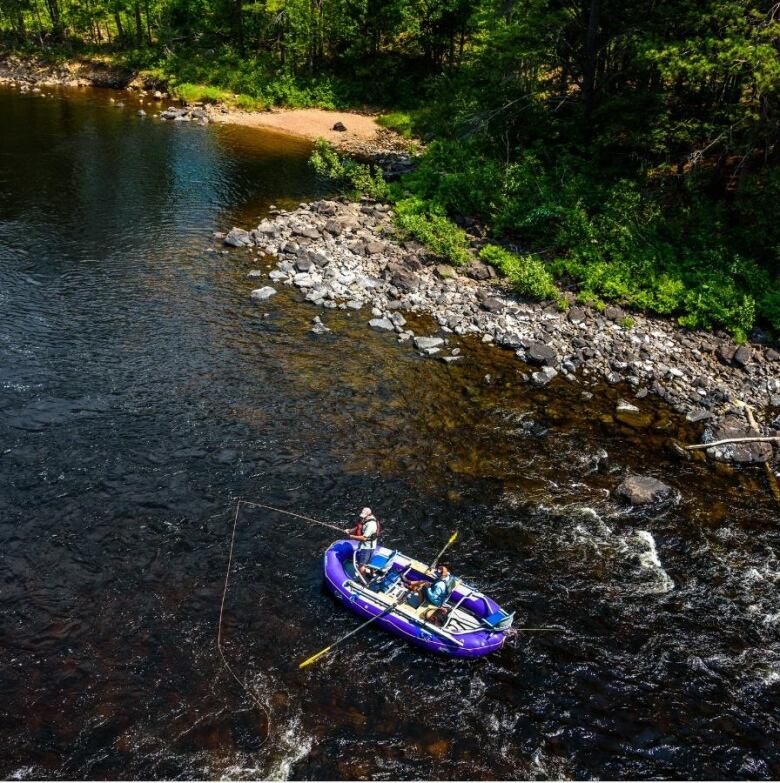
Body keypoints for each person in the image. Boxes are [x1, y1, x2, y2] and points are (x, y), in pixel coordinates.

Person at [344, 507, 379, 577]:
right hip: (370, 546)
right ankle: (371, 575)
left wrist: (351, 537)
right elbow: (359, 527)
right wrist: (350, 530)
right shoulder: (366, 519)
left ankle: (363, 581)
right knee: (369, 563)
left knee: (361, 566)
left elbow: (364, 538)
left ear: (369, 514)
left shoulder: (371, 525)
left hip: (367, 547)